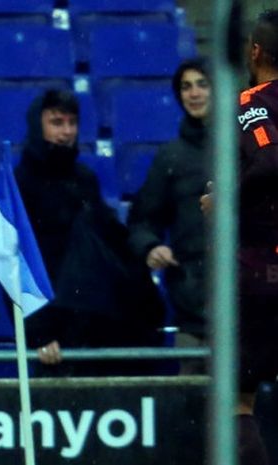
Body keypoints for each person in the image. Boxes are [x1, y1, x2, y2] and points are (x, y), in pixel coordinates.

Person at [16, 89, 165, 376]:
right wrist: (38, 332)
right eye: (57, 123)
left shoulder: (85, 179)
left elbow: (109, 240)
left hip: (96, 325)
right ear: (38, 125)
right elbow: (15, 262)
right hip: (54, 333)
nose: (67, 131)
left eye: (72, 123)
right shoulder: (21, 184)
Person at [201, 9, 278, 465]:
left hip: (260, 269)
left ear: (254, 51)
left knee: (237, 400)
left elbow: (270, 162)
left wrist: (225, 200)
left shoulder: (253, 102)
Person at [127, 57, 211, 374]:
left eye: (202, 84)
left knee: (245, 408)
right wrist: (151, 246)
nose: (194, 93)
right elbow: (142, 220)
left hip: (246, 306)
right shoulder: (170, 157)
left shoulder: (245, 147)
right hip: (192, 310)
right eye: (186, 86)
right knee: (192, 410)